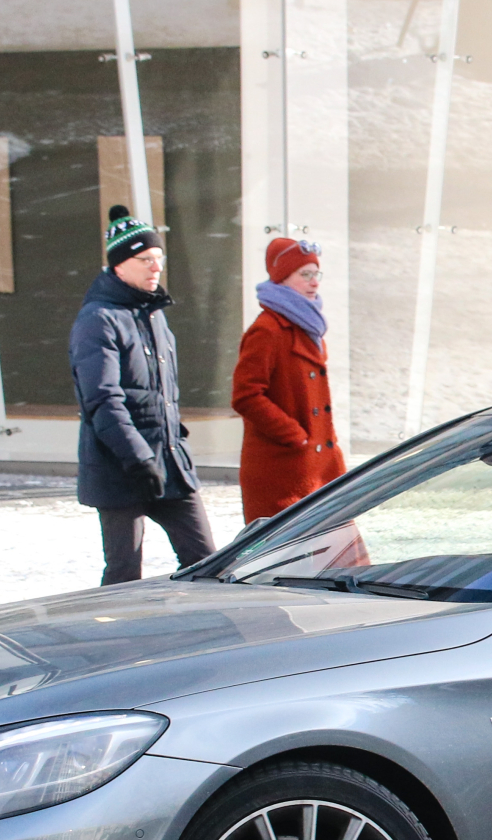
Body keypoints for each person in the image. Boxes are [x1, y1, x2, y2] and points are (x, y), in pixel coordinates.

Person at [71, 205, 214, 585]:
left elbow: (164, 393)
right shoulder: (98, 319)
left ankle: (206, 634)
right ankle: (114, 641)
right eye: (145, 259)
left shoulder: (154, 315)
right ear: (119, 265)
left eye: (159, 259)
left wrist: (174, 440)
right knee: (123, 575)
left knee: (207, 564)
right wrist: (137, 459)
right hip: (122, 469)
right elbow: (102, 399)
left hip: (169, 464)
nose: (156, 268)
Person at [233, 235, 346, 524]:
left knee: (339, 561)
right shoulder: (268, 330)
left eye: (315, 274)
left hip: (318, 468)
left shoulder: (307, 326)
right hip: (284, 471)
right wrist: (295, 436)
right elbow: (246, 395)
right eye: (304, 274)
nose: (314, 282)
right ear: (282, 278)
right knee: (290, 562)